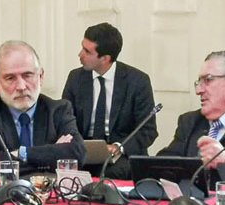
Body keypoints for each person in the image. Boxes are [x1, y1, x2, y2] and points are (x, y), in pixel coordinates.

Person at [0, 40, 85, 177]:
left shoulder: (59, 110)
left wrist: (20, 153)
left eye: (27, 75)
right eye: (10, 78)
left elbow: (76, 155)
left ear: (41, 76)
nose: (21, 86)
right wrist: (51, 153)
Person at [62, 22, 158, 179]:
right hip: (83, 150)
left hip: (119, 155)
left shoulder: (137, 81)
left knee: (111, 174)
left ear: (105, 58)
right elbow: (64, 119)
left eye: (87, 51)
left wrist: (118, 147)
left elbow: (147, 130)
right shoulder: (75, 78)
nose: (80, 54)